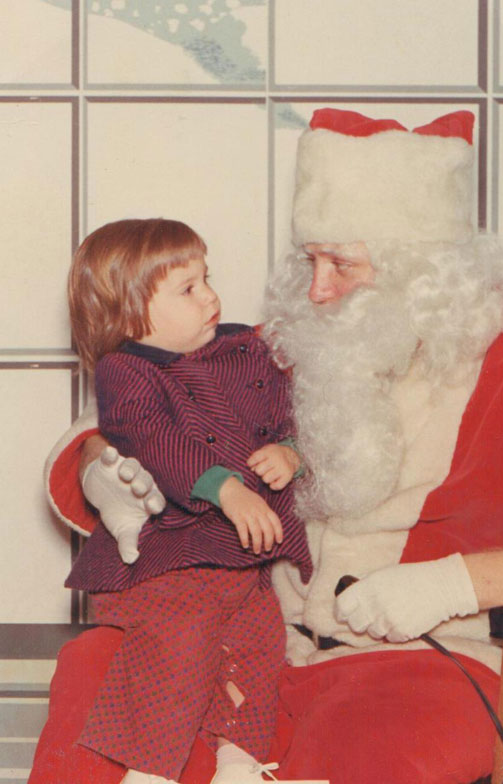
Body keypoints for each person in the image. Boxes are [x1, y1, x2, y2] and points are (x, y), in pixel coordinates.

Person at [34, 109, 503, 784]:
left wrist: (454, 582)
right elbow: (147, 403)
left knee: (376, 749)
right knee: (94, 687)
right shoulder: (296, 340)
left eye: (341, 264)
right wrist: (98, 468)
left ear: (427, 270)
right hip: (255, 640)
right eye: (309, 261)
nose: (316, 292)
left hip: (435, 660)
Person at [59, 217, 314, 784]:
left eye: (208, 279)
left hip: (241, 568)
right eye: (188, 289)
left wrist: (290, 450)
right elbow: (152, 437)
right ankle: (148, 771)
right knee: (179, 645)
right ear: (131, 314)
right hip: (166, 564)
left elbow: (290, 412)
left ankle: (241, 764)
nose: (212, 297)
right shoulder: (126, 371)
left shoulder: (245, 350)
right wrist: (224, 488)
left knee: (259, 641)